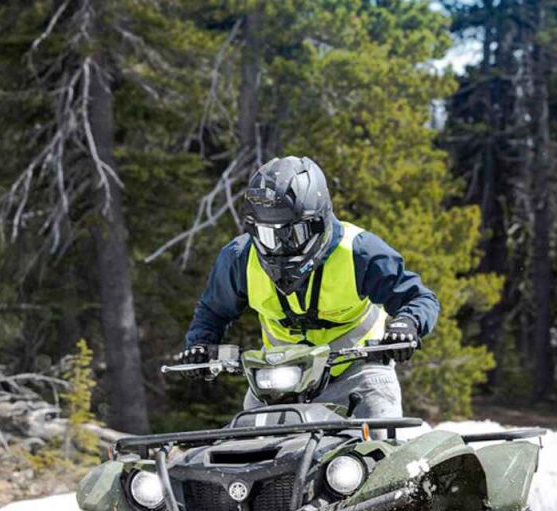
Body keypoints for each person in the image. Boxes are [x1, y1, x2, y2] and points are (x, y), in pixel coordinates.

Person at [173, 156, 440, 417]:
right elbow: (213, 311)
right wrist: (200, 345)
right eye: (267, 235)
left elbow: (419, 298)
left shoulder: (360, 251)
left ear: (319, 222)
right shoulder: (239, 257)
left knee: (381, 444)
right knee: (245, 450)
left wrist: (407, 325)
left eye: (293, 234)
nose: (279, 247)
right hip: (277, 378)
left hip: (357, 372)